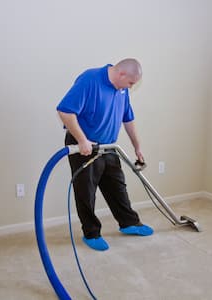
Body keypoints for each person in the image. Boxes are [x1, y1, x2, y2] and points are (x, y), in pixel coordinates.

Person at [56, 58, 153, 251]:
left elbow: (128, 118)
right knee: (86, 191)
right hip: (84, 145)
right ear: (121, 74)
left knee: (117, 186)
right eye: (131, 83)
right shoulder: (90, 80)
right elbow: (64, 111)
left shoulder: (121, 89)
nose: (131, 87)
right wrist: (82, 140)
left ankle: (128, 223)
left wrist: (137, 147)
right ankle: (91, 233)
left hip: (109, 146)